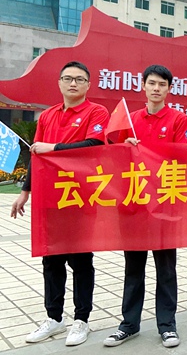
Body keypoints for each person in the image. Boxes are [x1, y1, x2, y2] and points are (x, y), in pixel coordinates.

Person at [11, 61, 109, 346]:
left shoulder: (96, 112)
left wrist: (53, 148)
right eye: (67, 78)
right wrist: (25, 191)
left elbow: (95, 145)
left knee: (81, 261)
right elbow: (37, 155)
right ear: (59, 83)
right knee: (51, 259)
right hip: (50, 198)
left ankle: (81, 320)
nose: (73, 83)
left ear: (88, 84)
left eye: (79, 79)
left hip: (80, 198)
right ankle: (54, 318)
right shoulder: (47, 116)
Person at [103, 65, 187, 349]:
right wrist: (125, 145)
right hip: (133, 205)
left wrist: (151, 154)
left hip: (164, 204)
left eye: (162, 84)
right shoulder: (130, 120)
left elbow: (182, 157)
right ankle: (129, 325)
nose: (156, 88)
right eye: (152, 83)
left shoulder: (178, 119)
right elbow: (113, 157)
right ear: (143, 86)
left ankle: (167, 326)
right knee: (133, 268)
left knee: (166, 269)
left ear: (169, 89)